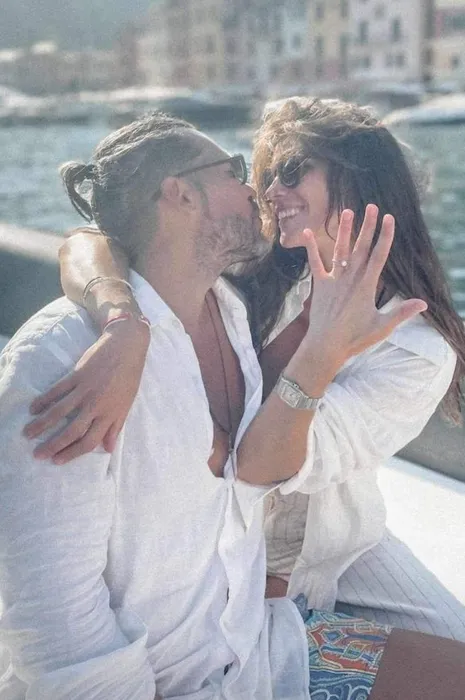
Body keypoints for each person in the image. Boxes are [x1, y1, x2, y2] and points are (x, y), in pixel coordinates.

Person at [0, 111, 430, 700]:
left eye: (289, 172)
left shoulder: (231, 310)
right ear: (180, 193)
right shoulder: (65, 359)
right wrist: (122, 321)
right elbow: (59, 631)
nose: (259, 189)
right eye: (236, 170)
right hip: (162, 672)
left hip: (261, 637)